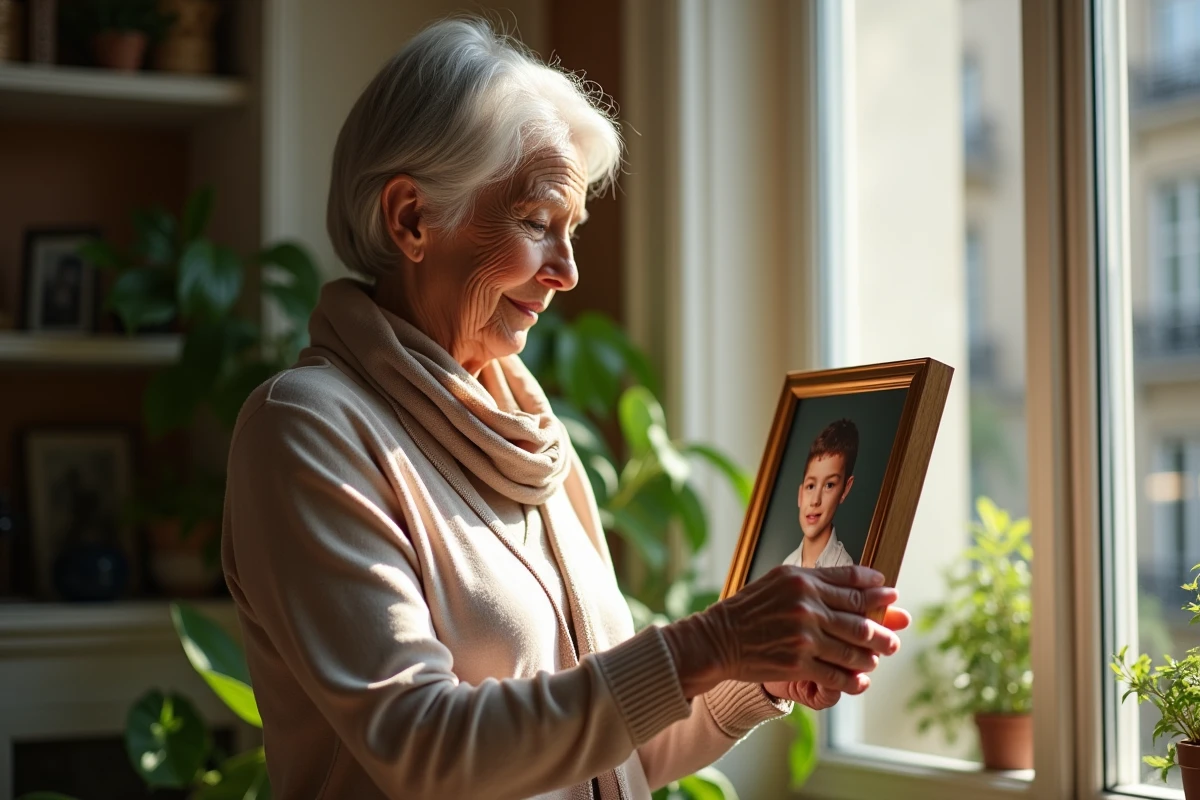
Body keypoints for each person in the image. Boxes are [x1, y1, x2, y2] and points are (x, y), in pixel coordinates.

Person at [222, 18, 909, 800]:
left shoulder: (528, 431)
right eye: (536, 223)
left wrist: (758, 670)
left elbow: (613, 756)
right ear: (411, 218)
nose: (568, 271)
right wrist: (712, 641)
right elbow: (425, 749)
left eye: (572, 230)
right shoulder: (305, 430)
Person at [783, 419, 859, 569]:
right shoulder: (786, 565)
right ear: (800, 494)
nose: (815, 500)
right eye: (810, 486)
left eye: (829, 485)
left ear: (845, 489)